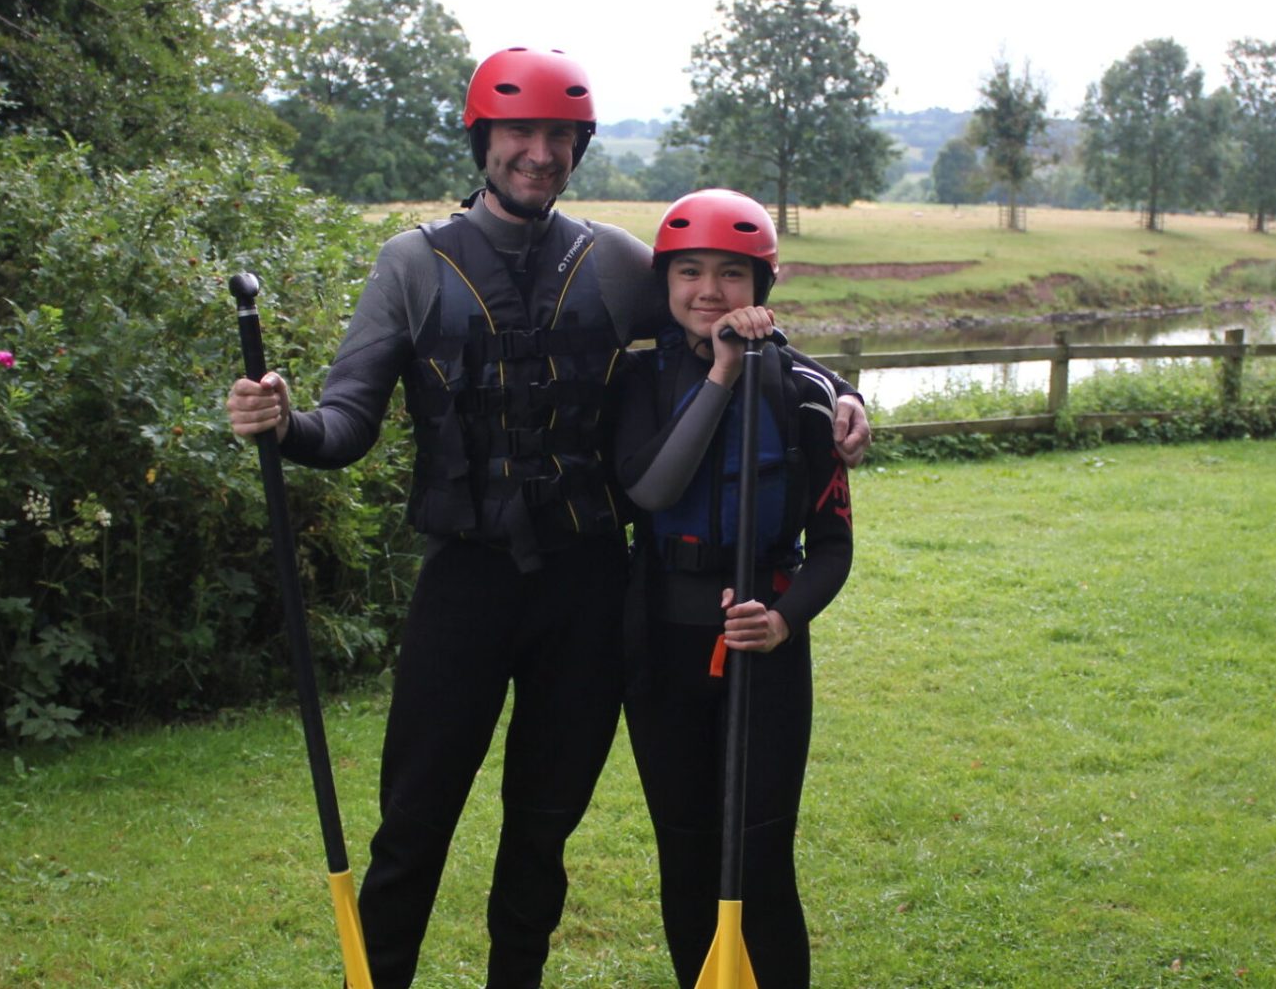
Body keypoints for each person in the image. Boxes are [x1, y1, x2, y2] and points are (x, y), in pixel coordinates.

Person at [224, 49, 869, 988]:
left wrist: (842, 391)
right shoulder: (412, 265)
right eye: (519, 133)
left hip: (587, 587)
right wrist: (286, 425)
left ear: (579, 147)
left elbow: (726, 318)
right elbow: (346, 424)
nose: (538, 153)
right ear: (482, 141)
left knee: (542, 829)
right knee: (414, 822)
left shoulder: (613, 262)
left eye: (558, 136)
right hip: (466, 584)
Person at [615, 189, 852, 988]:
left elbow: (833, 547)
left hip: (766, 658)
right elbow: (650, 489)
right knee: (686, 857)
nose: (709, 290)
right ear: (665, 281)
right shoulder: (639, 379)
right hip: (662, 650)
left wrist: (782, 621)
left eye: (731, 273)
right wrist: (721, 372)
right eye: (690, 272)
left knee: (759, 857)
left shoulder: (804, 393)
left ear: (761, 286)